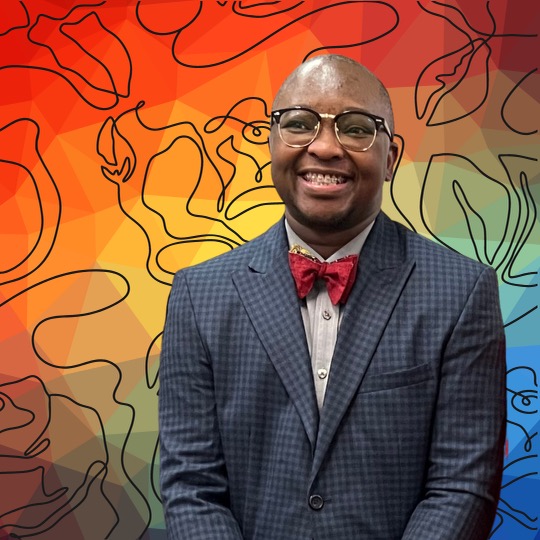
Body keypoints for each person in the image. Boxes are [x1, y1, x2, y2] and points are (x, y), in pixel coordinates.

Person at [159, 54, 506, 539]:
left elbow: (463, 486)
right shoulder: (199, 294)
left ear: (390, 155)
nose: (324, 147)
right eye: (299, 124)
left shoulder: (463, 291)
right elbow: (191, 484)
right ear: (273, 143)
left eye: (357, 128)